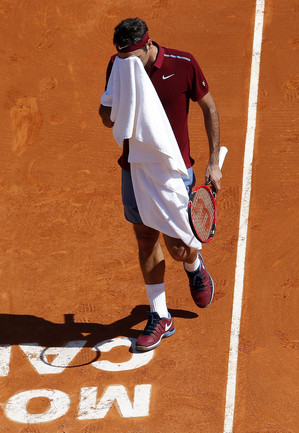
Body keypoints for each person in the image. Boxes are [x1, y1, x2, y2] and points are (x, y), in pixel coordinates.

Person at [99, 18, 222, 352]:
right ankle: (160, 315)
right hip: (135, 169)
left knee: (179, 246)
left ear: (147, 45)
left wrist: (213, 161)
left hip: (174, 173)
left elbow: (208, 108)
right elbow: (106, 114)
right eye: (120, 57)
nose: (125, 62)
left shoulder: (183, 64)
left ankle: (194, 266)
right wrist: (113, 109)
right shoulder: (119, 65)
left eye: (131, 56)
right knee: (144, 239)